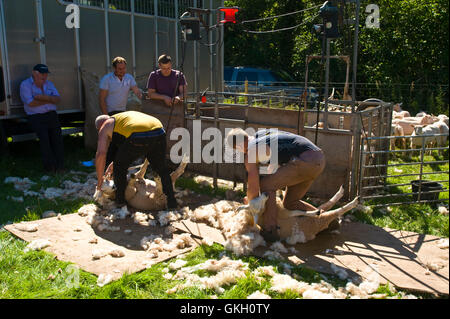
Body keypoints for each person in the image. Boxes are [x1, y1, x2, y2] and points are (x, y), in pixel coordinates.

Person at [226, 128, 326, 242]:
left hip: (304, 160)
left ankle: (270, 230)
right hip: (318, 158)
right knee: (290, 203)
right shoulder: (262, 134)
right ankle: (327, 220)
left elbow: (253, 183)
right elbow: (280, 149)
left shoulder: (251, 151)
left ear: (238, 146)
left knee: (266, 185)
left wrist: (252, 202)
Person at [94, 110, 177, 208]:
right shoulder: (121, 120)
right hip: (158, 131)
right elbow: (125, 150)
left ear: (100, 127)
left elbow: (101, 154)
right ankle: (172, 202)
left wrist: (100, 182)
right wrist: (114, 163)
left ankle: (120, 201)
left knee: (119, 167)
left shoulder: (105, 126)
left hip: (137, 135)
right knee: (161, 169)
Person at [19, 64, 64, 173]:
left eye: (46, 74)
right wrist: (49, 99)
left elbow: (58, 99)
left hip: (52, 115)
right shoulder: (25, 85)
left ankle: (60, 166)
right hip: (37, 117)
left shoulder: (49, 84)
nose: (44, 76)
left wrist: (41, 97)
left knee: (57, 140)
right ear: (35, 73)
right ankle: (49, 168)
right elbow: (31, 103)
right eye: (42, 74)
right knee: (45, 142)